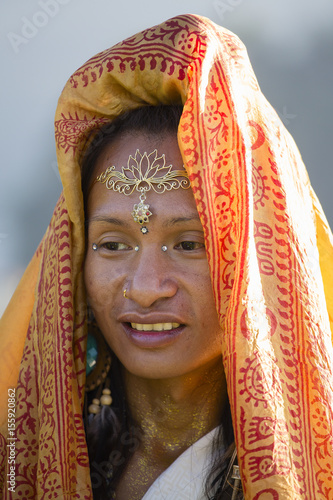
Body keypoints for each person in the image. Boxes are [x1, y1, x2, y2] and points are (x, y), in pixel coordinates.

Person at [1, 13, 333, 500]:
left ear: (258, 260)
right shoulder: (23, 460)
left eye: (189, 244)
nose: (146, 286)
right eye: (113, 245)